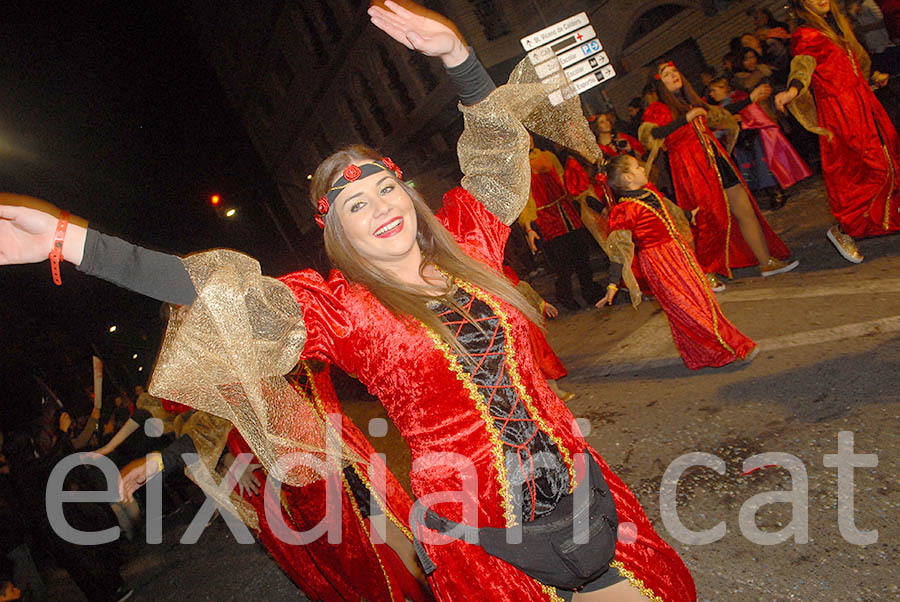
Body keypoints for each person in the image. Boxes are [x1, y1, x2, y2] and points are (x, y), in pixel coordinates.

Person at [0, 2, 696, 601]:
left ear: (408, 194)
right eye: (355, 204)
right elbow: (219, 291)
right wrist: (75, 240)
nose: (380, 208)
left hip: (582, 492)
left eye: (385, 188)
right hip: (483, 532)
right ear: (339, 231)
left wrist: (457, 54)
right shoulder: (343, 308)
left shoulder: (472, 241)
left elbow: (496, 149)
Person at [641, 60, 799, 291]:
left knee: (745, 209)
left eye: (675, 71)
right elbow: (650, 134)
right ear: (659, 84)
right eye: (666, 74)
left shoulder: (693, 101)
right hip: (692, 167)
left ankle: (766, 262)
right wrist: (684, 120)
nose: (674, 76)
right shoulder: (658, 109)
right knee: (709, 218)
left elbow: (720, 114)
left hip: (716, 159)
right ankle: (707, 270)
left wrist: (750, 99)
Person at [597, 155, 757, 369]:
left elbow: (668, 208)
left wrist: (690, 214)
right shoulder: (624, 211)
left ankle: (703, 355)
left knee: (702, 303)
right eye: (637, 167)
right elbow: (618, 250)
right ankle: (737, 345)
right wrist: (612, 283)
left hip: (679, 255)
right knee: (686, 310)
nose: (643, 168)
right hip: (658, 263)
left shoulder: (650, 193)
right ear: (627, 178)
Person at [775, 0, 900, 263]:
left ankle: (880, 218)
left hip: (864, 103)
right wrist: (793, 90)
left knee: (890, 159)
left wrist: (870, 78)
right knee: (864, 173)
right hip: (842, 113)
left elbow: (850, 64)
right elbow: (803, 65)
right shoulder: (806, 34)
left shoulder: (839, 26)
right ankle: (845, 229)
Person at [519, 138, 602, 309]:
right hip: (547, 220)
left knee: (582, 257)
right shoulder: (519, 168)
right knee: (563, 265)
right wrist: (529, 228)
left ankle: (590, 291)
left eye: (529, 136)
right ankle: (565, 295)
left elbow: (564, 180)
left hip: (567, 212)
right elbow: (525, 200)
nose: (529, 140)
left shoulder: (549, 156)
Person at [707, 76, 811, 209]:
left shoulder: (739, 98)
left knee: (764, 167)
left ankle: (776, 193)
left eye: (714, 90)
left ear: (724, 89)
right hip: (739, 143)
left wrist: (740, 122)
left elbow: (753, 116)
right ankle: (767, 194)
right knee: (752, 170)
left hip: (754, 137)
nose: (711, 94)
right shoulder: (721, 106)